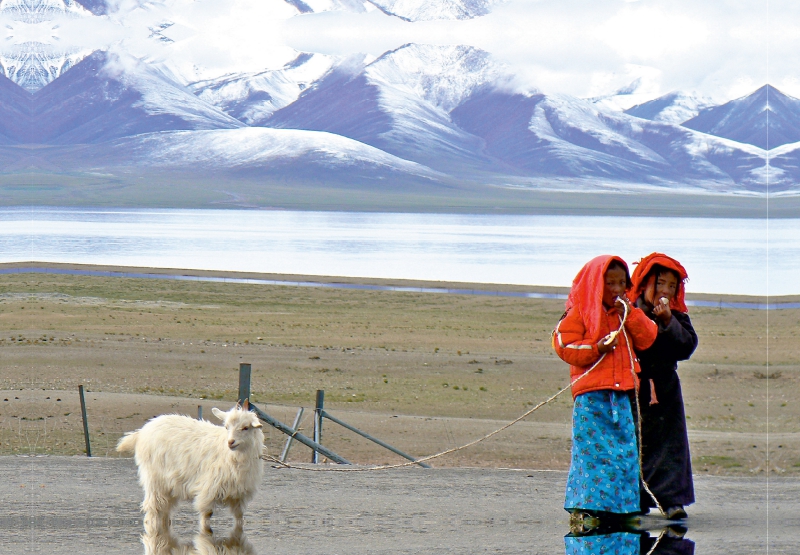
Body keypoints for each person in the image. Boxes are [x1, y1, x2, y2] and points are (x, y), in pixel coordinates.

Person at [553, 255, 658, 528]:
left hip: (621, 396)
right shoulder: (579, 312)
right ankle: (586, 510)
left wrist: (631, 314)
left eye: (621, 283)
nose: (616, 289)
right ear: (595, 284)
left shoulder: (628, 313)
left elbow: (649, 337)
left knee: (623, 453)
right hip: (591, 399)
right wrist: (596, 348)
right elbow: (564, 344)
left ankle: (621, 509)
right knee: (592, 454)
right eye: (609, 283)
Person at [630, 253, 698, 521]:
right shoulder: (630, 311)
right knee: (637, 444)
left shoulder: (678, 317)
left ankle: (671, 502)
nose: (665, 291)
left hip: (666, 390)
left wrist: (669, 321)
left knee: (670, 446)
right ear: (645, 283)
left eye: (672, 286)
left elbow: (686, 347)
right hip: (635, 390)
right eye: (660, 283)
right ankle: (637, 499)